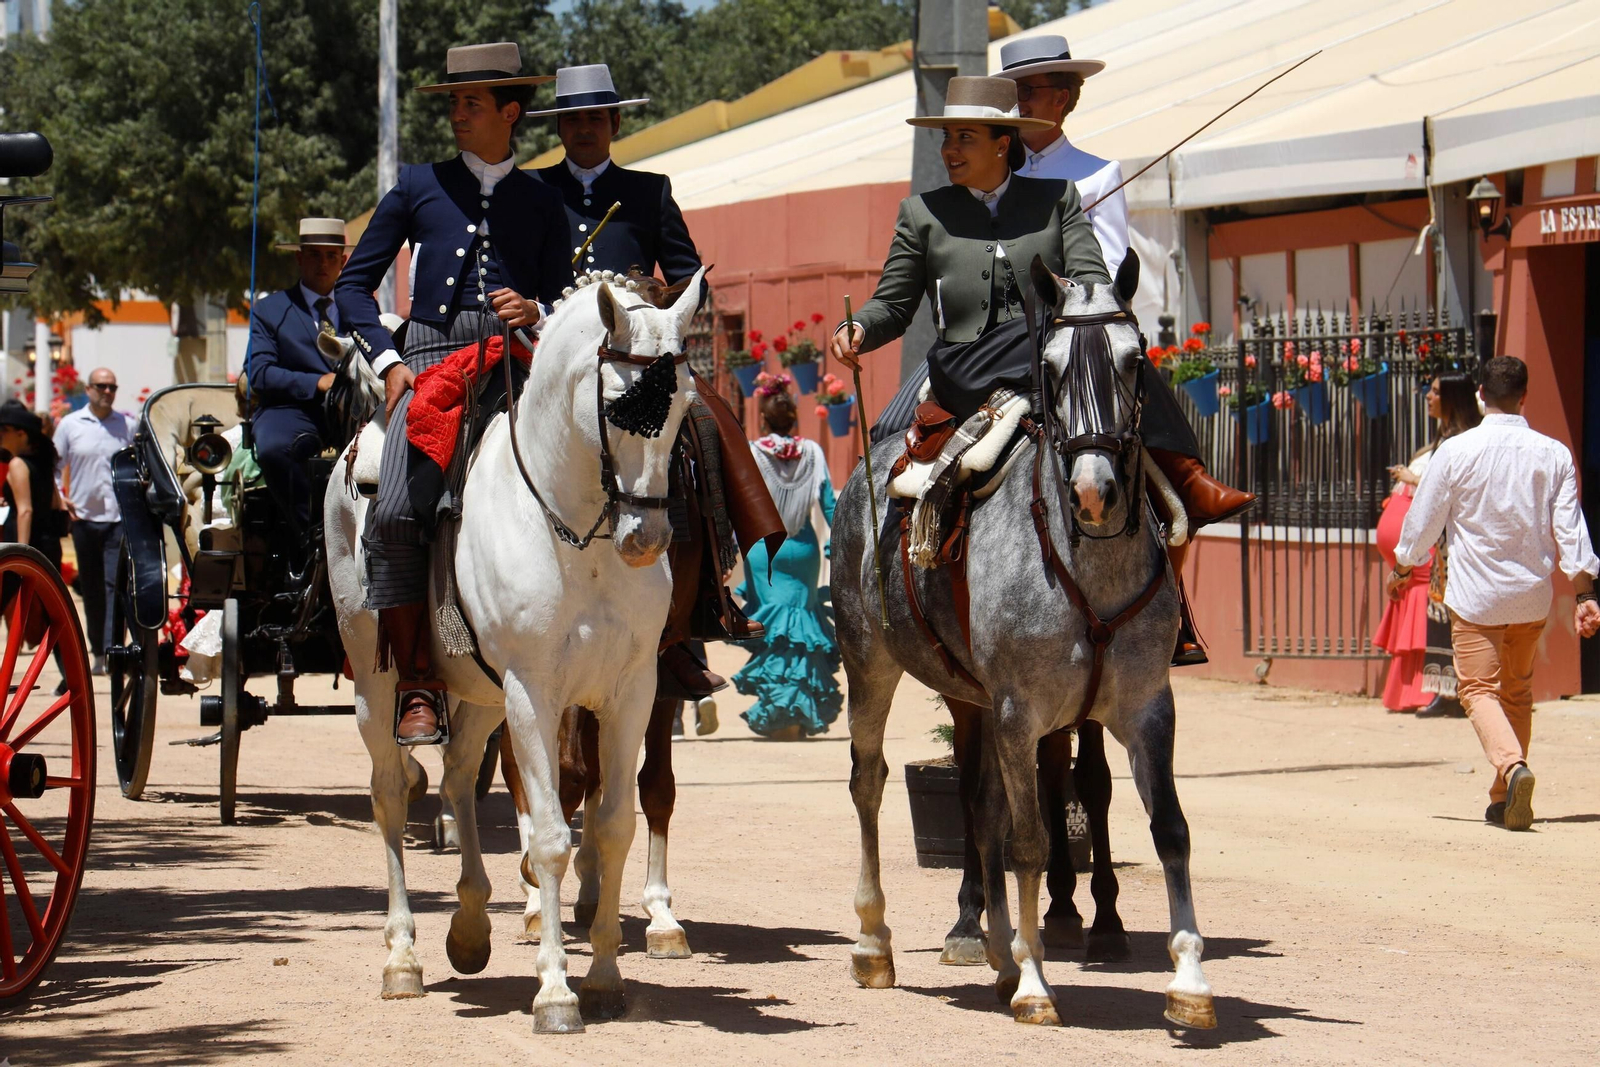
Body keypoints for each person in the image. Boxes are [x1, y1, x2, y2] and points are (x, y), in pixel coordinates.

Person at [828, 76, 1249, 665]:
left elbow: (1090, 275)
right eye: (947, 138)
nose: (949, 150)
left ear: (1004, 143)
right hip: (969, 369)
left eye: (964, 138)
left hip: (1048, 366)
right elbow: (894, 303)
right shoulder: (922, 213)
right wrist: (860, 330)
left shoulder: (1056, 199)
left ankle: (1184, 486)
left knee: (1112, 344)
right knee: (1066, 340)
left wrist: (1097, 311)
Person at [336, 42, 571, 745]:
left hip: (516, 367)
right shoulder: (416, 186)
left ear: (511, 112)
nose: (458, 115)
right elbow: (352, 285)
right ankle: (416, 682)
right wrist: (386, 360)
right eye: (454, 103)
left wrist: (539, 312)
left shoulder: (544, 202)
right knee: (394, 512)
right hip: (429, 363)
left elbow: (566, 298)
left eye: (471, 104)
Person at [1393, 356, 1600, 831]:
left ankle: (1511, 767)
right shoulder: (1553, 454)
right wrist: (1586, 592)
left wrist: (1404, 566)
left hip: (1477, 597)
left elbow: (1424, 521)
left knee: (1476, 689)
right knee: (1517, 692)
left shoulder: (1456, 450)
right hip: (1531, 596)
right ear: (1524, 396)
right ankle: (1504, 796)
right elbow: (1570, 530)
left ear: (1481, 395)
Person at [731, 374, 840, 739]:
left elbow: (741, 502)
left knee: (777, 630)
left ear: (763, 419)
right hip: (805, 549)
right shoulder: (813, 451)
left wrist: (730, 545)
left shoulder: (752, 451)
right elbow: (828, 503)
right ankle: (797, 711)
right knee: (802, 627)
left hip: (765, 550)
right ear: (794, 419)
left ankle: (781, 713)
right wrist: (839, 544)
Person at [532, 64, 700, 283]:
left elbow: (689, 280)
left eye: (595, 118)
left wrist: (658, 310)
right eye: (573, 119)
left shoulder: (649, 192)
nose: (584, 129)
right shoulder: (532, 188)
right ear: (558, 127)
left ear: (616, 123)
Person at [1375, 372, 1481, 712]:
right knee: (1439, 614)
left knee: (1454, 615)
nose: (1428, 397)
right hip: (1439, 549)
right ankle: (1445, 690)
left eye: (1435, 392)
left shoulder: (1464, 440)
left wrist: (1413, 479)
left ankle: (1458, 692)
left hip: (1454, 545)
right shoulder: (1443, 438)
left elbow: (1449, 489)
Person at [248, 217, 352, 541]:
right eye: (314, 255)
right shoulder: (271, 309)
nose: (323, 263)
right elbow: (259, 373)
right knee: (273, 449)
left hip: (354, 410)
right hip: (291, 411)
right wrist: (317, 383)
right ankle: (317, 535)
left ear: (342, 261)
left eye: (331, 256)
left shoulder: (359, 307)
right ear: (299, 258)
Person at [994, 34, 1126, 276]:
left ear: (1061, 97)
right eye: (1009, 93)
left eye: (1025, 91)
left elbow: (1113, 269)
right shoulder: (989, 171)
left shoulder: (1100, 175)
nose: (1016, 104)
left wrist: (1065, 289)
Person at [53, 366, 136, 674]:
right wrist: (61, 497)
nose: (107, 392)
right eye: (101, 386)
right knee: (91, 587)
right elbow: (54, 464)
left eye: (112, 387)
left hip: (117, 517)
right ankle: (98, 650)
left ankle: (114, 650)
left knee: (117, 586)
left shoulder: (127, 425)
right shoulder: (70, 425)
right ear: (88, 389)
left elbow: (138, 466)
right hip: (84, 518)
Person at [1, 400, 72, 690]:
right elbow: (57, 503)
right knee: (51, 612)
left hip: (26, 545)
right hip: (48, 545)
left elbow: (25, 511)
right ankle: (69, 674)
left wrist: (21, 554)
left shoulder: (18, 464)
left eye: (3, 429)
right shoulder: (43, 464)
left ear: (22, 434)